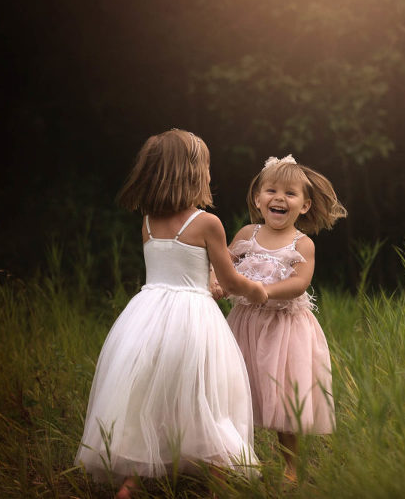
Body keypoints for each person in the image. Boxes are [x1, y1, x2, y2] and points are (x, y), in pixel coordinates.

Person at [75, 129, 267, 498]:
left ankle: (131, 481)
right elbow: (228, 279)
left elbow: (171, 270)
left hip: (146, 317)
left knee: (151, 395)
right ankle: (218, 477)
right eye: (207, 167)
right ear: (193, 173)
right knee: (203, 395)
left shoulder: (147, 220)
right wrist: (256, 290)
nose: (210, 175)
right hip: (193, 319)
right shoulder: (207, 223)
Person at [222, 154, 347, 483]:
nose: (279, 198)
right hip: (245, 324)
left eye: (290, 194)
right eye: (271, 190)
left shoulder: (301, 243)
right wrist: (215, 280)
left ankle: (290, 466)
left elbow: (299, 283)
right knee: (239, 389)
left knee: (283, 399)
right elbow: (223, 263)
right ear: (257, 198)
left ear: (304, 206)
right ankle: (238, 458)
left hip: (285, 329)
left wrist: (266, 291)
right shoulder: (247, 233)